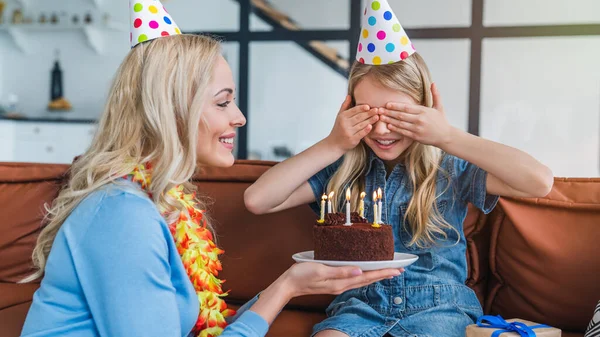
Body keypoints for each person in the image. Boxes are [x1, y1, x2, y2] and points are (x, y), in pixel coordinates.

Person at [19, 1, 402, 336]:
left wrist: (289, 285)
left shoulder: (162, 203)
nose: (239, 117)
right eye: (223, 103)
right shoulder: (123, 214)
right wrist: (286, 287)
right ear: (172, 112)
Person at [244, 1, 554, 336]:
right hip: (358, 308)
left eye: (398, 116)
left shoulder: (451, 167)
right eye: (368, 114)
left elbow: (538, 182)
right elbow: (258, 200)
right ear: (348, 108)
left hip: (440, 309)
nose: (381, 131)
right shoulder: (341, 169)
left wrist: (447, 136)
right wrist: (333, 143)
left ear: (425, 109)